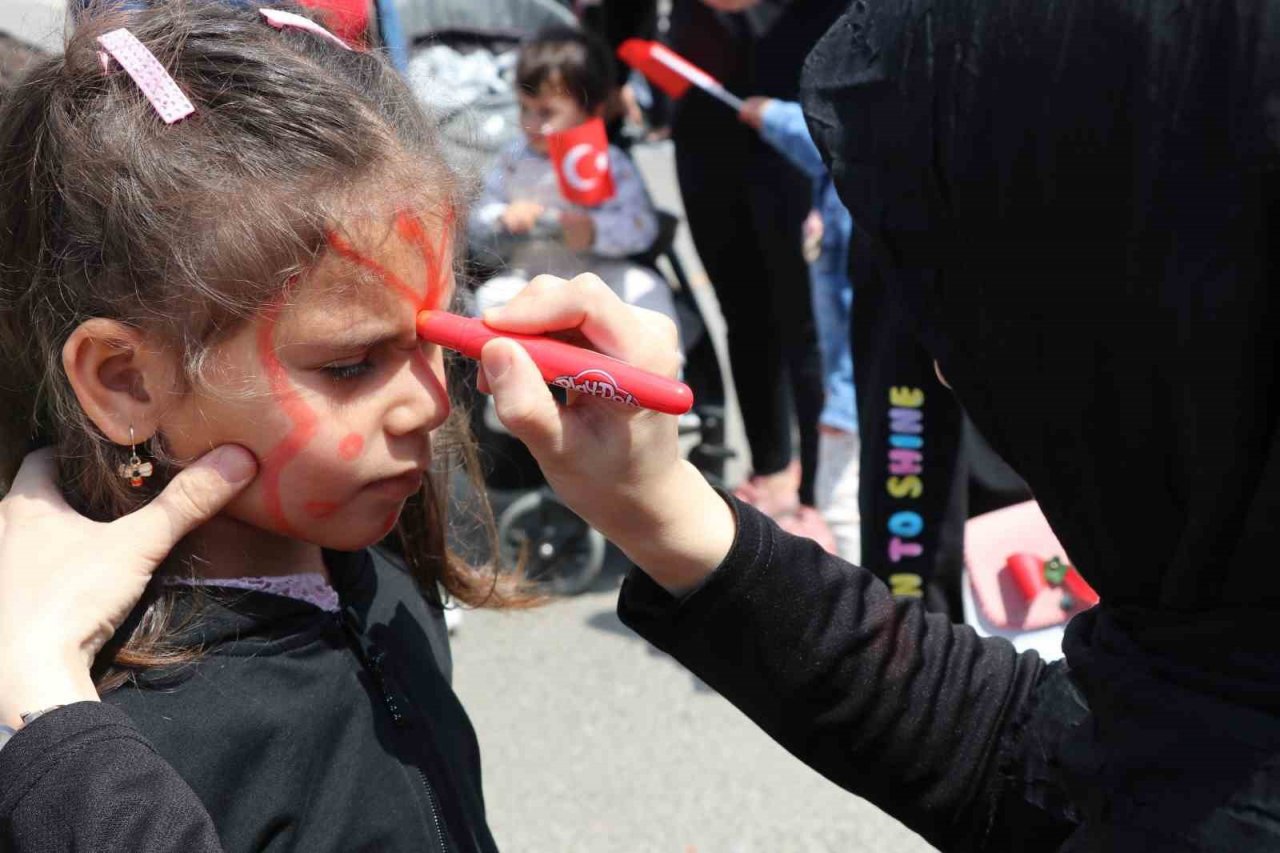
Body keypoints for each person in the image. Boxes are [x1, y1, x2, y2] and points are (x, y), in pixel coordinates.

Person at [0, 3, 539, 849]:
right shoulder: (114, 754)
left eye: (440, 337)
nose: (433, 402)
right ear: (126, 380)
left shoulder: (378, 564)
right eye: (351, 364)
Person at [467, 26, 678, 327]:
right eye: (524, 108)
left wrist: (595, 230)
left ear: (592, 111)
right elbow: (479, 215)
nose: (530, 123)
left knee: (649, 291)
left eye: (546, 112)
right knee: (489, 300)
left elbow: (641, 226)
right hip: (530, 274)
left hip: (600, 272)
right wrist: (503, 217)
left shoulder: (608, 161)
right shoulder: (513, 157)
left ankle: (659, 358)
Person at [738, 95, 860, 563]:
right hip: (853, 392)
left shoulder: (860, 189)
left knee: (844, 512)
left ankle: (868, 599)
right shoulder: (847, 169)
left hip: (856, 399)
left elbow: (860, 315)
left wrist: (843, 402)